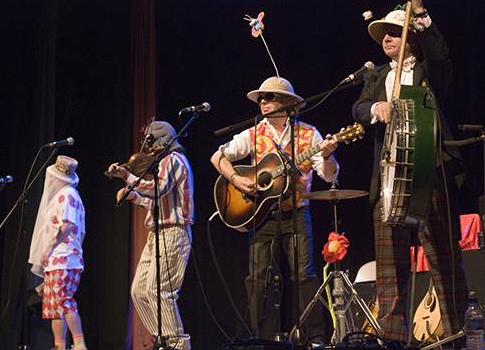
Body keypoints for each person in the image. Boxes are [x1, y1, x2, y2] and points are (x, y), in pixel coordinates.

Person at [352, 0, 467, 344]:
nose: (386, 40)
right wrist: (376, 106)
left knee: (444, 261)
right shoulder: (376, 75)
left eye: (394, 34)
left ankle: (457, 334)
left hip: (429, 174)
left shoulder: (427, 71)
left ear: (411, 39)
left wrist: (420, 13)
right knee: (390, 270)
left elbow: (442, 58)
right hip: (389, 179)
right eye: (383, 34)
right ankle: (392, 339)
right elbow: (358, 109)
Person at [211, 76, 339, 342]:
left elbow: (328, 176)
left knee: (304, 275)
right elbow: (217, 156)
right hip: (262, 215)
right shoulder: (254, 132)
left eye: (268, 97)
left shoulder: (308, 134)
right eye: (260, 98)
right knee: (257, 278)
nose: (262, 103)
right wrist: (237, 179)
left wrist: (326, 155)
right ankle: (263, 339)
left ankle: (315, 338)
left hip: (297, 213)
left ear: (288, 103)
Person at [108, 121, 194, 350]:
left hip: (174, 232)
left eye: (151, 142)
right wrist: (132, 196)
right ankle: (164, 338)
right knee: (139, 290)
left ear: (163, 141)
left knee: (162, 290)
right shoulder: (162, 163)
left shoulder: (174, 160)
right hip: (156, 234)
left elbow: (159, 189)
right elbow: (154, 199)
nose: (148, 148)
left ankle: (177, 343)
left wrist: (127, 176)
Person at [28, 155, 87, 350]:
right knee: (55, 308)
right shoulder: (68, 195)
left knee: (64, 301)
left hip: (64, 259)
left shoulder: (67, 195)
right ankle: (59, 346)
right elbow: (82, 232)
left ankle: (79, 344)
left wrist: (50, 247)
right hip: (61, 260)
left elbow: (68, 225)